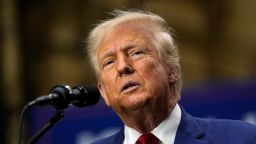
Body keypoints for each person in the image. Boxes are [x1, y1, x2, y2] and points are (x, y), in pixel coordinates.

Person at [86, 10, 256, 144]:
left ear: (172, 71)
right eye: (109, 62)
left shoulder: (242, 138)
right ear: (104, 93)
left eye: (136, 53)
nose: (122, 67)